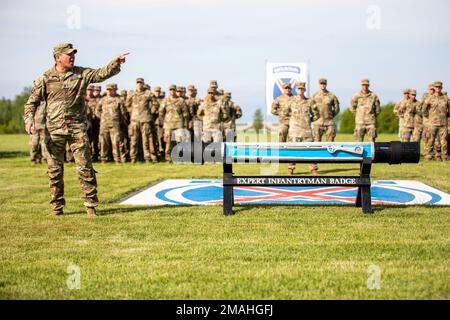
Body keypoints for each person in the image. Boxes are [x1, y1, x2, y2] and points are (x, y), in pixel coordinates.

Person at [23, 43, 128, 217]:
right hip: (54, 130)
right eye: (68, 54)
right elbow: (31, 102)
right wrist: (29, 120)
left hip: (77, 129)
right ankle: (57, 208)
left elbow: (101, 74)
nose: (72, 57)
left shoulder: (81, 74)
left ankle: (90, 206)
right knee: (54, 170)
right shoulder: (45, 78)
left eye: (73, 54)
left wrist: (115, 62)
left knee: (85, 167)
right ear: (58, 57)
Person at [287, 82, 319, 175]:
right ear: (296, 90)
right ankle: (290, 168)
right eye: (298, 89)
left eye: (302, 89)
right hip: (294, 131)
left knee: (310, 150)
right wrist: (293, 120)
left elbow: (316, 114)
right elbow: (285, 112)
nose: (300, 90)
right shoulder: (291, 101)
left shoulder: (310, 101)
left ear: (304, 90)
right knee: (292, 150)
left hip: (306, 131)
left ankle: (313, 169)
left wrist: (308, 121)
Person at [126, 78, 157, 163]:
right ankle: (133, 158)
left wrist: (151, 112)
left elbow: (155, 103)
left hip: (145, 119)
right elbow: (127, 105)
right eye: (138, 83)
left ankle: (147, 158)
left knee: (146, 140)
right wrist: (132, 112)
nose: (139, 84)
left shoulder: (148, 94)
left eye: (141, 83)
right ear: (136, 84)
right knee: (134, 140)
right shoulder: (131, 93)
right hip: (135, 120)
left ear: (143, 84)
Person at [96, 84, 127, 163]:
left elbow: (123, 113)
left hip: (115, 124)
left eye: (111, 89)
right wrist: (103, 118)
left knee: (116, 142)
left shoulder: (119, 100)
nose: (109, 91)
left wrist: (121, 122)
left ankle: (117, 159)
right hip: (104, 124)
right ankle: (104, 159)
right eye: (108, 89)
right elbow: (97, 111)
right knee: (103, 142)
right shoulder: (102, 100)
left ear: (115, 90)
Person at [159, 84, 190, 162]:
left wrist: (185, 124)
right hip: (168, 125)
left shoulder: (181, 100)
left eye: (173, 90)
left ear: (176, 91)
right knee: (169, 142)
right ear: (169, 91)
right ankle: (168, 158)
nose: (172, 91)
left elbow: (185, 113)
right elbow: (161, 113)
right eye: (170, 90)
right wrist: (163, 123)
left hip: (179, 124)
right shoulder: (165, 101)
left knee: (179, 142)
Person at [422, 81, 449, 161]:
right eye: (436, 87)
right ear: (434, 88)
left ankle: (444, 158)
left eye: (439, 87)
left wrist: (446, 116)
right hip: (432, 123)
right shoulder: (429, 98)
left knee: (444, 142)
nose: (438, 88)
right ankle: (428, 157)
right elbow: (424, 109)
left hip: (443, 123)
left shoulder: (445, 98)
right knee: (430, 141)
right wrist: (428, 117)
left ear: (441, 88)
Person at [29, 100, 48, 165]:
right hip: (34, 127)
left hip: (44, 126)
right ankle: (33, 159)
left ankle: (45, 159)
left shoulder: (46, 102)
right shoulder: (32, 103)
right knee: (34, 144)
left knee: (44, 144)